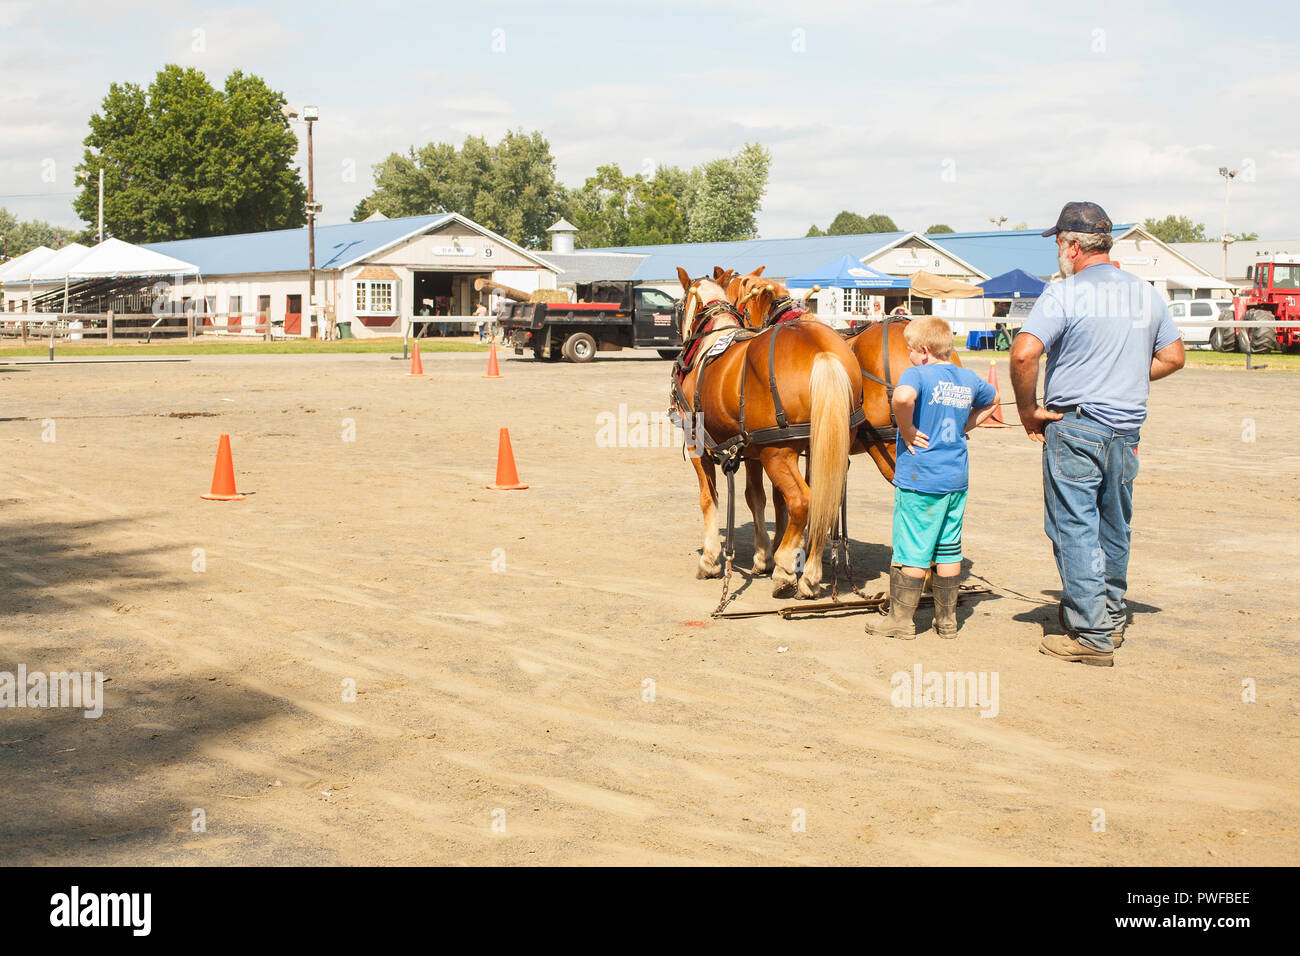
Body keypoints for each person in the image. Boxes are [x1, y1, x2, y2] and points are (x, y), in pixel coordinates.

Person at [1011, 201, 1185, 667]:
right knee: (1114, 526)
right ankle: (1109, 616)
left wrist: (1029, 411)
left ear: (1071, 245)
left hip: (1077, 426)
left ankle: (1091, 634)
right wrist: (1124, 374)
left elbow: (1025, 353)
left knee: (1073, 525)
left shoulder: (1064, 293)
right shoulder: (1146, 293)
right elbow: (1173, 358)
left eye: (1058, 244)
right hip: (1126, 431)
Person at [868, 316, 999, 640]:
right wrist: (964, 426)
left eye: (911, 349)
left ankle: (900, 621)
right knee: (948, 548)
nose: (910, 354)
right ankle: (947, 622)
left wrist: (908, 428)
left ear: (924, 351)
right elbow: (993, 399)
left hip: (920, 477)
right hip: (955, 477)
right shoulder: (966, 377)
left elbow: (901, 398)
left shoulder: (917, 373)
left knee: (913, 548)